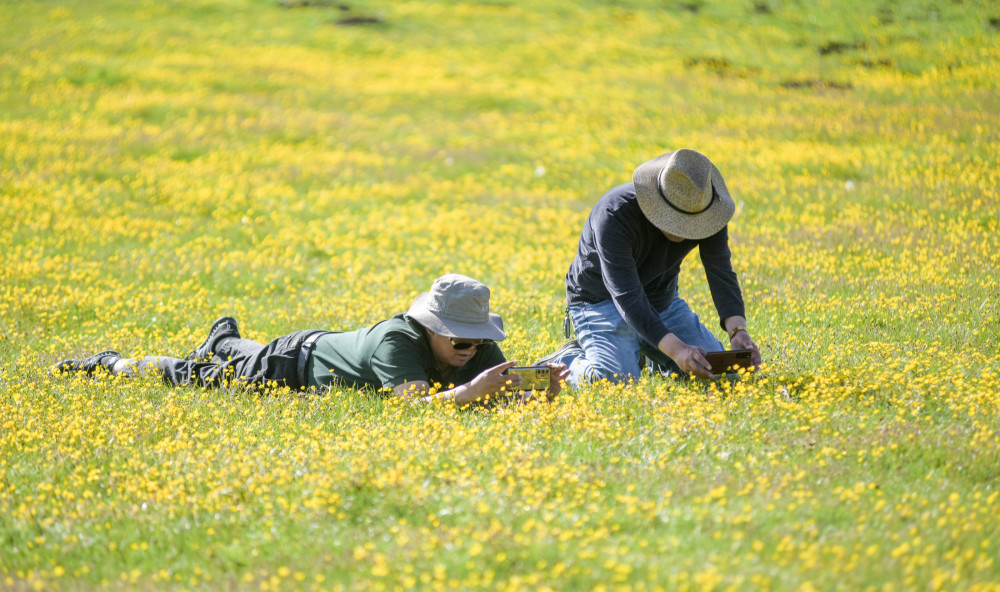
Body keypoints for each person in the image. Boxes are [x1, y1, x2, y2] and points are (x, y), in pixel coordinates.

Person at [53, 274, 570, 405]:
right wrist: (473, 392)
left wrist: (534, 394)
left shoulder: (476, 347)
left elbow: (495, 388)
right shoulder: (398, 342)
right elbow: (415, 409)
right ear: (430, 327)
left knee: (235, 355)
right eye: (459, 342)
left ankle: (224, 338)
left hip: (309, 350)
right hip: (294, 364)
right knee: (199, 379)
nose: (470, 351)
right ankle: (115, 363)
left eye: (476, 343)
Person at [536, 148, 762, 384]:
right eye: (675, 220)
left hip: (660, 300)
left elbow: (720, 272)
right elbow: (627, 295)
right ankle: (568, 361)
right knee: (615, 383)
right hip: (601, 301)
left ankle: (651, 350)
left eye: (691, 224)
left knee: (719, 372)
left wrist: (738, 332)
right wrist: (676, 350)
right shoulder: (614, 215)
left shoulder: (706, 211)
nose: (683, 231)